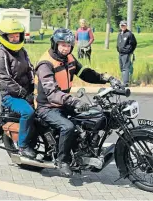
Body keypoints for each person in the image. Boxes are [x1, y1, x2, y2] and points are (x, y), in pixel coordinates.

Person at [35, 28, 114, 176]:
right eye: (62, 44)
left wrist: (107, 78)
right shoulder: (45, 64)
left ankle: (85, 148)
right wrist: (74, 102)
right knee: (68, 127)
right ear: (55, 44)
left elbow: (85, 73)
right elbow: (52, 93)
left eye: (69, 45)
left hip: (63, 102)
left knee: (93, 115)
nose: (66, 48)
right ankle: (62, 160)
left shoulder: (69, 58)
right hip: (47, 106)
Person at [0, 19, 36, 159]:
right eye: (11, 36)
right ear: (4, 37)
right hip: (10, 96)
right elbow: (4, 79)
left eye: (17, 35)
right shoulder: (1, 55)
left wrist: (34, 85)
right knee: (28, 112)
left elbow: (30, 69)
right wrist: (23, 93)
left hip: (25, 92)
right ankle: (22, 146)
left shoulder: (22, 51)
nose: (15, 38)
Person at [117, 20, 137, 86]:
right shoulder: (120, 34)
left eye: (124, 25)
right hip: (120, 53)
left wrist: (129, 51)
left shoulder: (129, 34)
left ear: (126, 26)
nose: (122, 26)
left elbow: (134, 43)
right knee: (121, 67)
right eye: (121, 25)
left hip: (126, 54)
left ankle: (125, 83)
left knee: (126, 68)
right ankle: (123, 80)